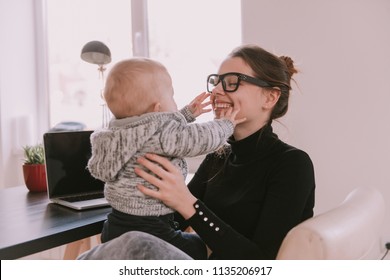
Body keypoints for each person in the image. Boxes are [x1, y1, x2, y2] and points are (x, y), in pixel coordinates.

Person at [79, 44, 315, 260]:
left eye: (232, 81)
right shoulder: (219, 156)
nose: (217, 92)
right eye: (216, 82)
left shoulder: (292, 164)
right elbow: (174, 222)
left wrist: (189, 204)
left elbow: (260, 262)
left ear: (270, 97)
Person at [87, 57, 244, 260]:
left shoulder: (116, 135)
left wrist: (186, 114)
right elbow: (195, 139)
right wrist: (225, 125)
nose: (175, 101)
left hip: (115, 225)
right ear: (158, 107)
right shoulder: (161, 135)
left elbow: (156, 126)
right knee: (200, 247)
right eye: (172, 95)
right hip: (151, 228)